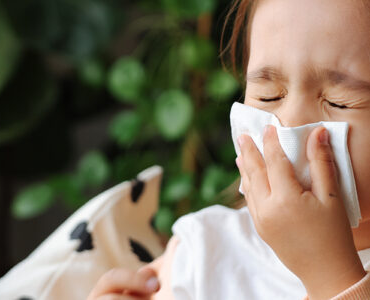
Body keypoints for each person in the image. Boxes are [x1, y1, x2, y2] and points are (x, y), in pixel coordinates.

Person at [87, 0, 370, 299]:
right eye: (268, 96)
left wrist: (329, 275)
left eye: (340, 101)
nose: (288, 125)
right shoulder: (206, 255)